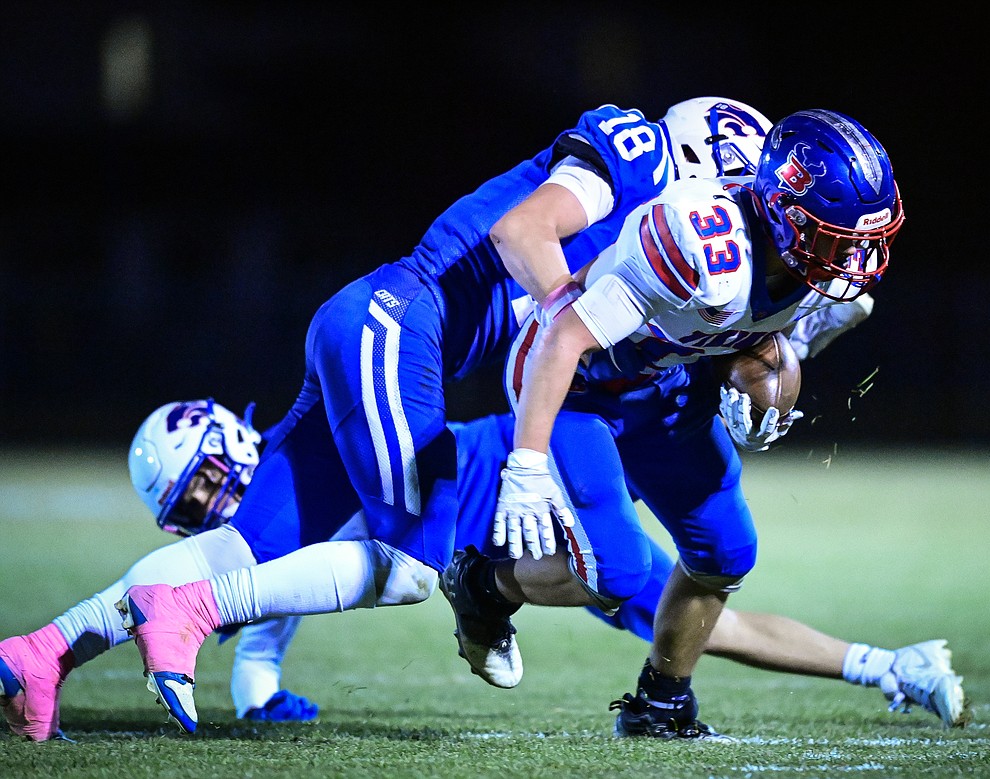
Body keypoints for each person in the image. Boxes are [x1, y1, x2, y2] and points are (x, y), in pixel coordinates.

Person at [0, 96, 777, 739]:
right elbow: (521, 236)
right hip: (400, 324)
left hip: (377, 326)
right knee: (409, 568)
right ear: (705, 163)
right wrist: (573, 333)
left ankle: (40, 652)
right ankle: (193, 610)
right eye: (739, 192)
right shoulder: (634, 166)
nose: (738, 218)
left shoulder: (680, 238)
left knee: (241, 543)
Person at [446, 108, 942, 740]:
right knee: (616, 573)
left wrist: (763, 390)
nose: (857, 256)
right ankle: (484, 584)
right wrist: (527, 463)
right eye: (838, 238)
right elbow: (563, 335)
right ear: (787, 212)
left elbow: (762, 345)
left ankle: (660, 703)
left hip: (661, 385)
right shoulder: (702, 245)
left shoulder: (809, 271)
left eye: (861, 239)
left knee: (726, 553)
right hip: (577, 386)